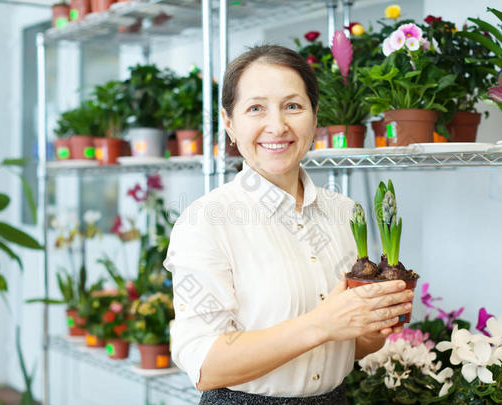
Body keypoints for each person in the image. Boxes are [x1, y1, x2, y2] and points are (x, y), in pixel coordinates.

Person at [163, 45, 414, 405]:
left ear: (314, 118)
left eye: (293, 106)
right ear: (230, 124)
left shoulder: (344, 213)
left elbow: (353, 348)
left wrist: (377, 324)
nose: (277, 126)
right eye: (256, 109)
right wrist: (322, 323)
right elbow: (206, 364)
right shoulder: (207, 221)